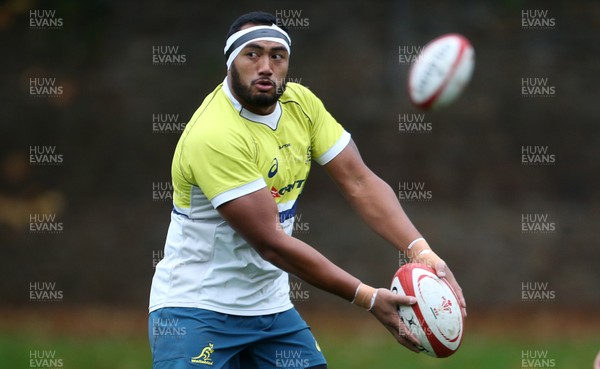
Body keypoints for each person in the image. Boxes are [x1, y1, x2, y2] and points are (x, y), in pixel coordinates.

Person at [148, 10, 466, 369]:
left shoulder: (302, 106)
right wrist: (367, 297)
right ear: (230, 62)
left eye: (276, 55)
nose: (265, 66)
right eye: (252, 54)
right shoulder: (215, 135)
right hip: (196, 311)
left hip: (270, 312)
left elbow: (359, 181)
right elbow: (273, 244)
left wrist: (421, 251)